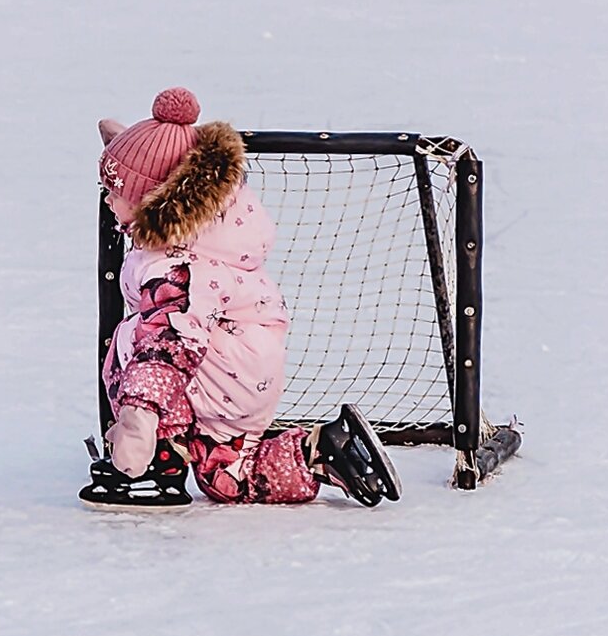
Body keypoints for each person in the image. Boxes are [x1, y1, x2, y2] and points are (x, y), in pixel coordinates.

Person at [80, 87, 400, 511]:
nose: (107, 199)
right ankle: (322, 452)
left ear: (150, 201)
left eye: (115, 191)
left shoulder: (177, 268)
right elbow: (155, 169)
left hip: (217, 367)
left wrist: (138, 420)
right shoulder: (209, 227)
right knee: (229, 479)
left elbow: (167, 347)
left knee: (136, 339)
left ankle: (156, 467)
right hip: (243, 372)